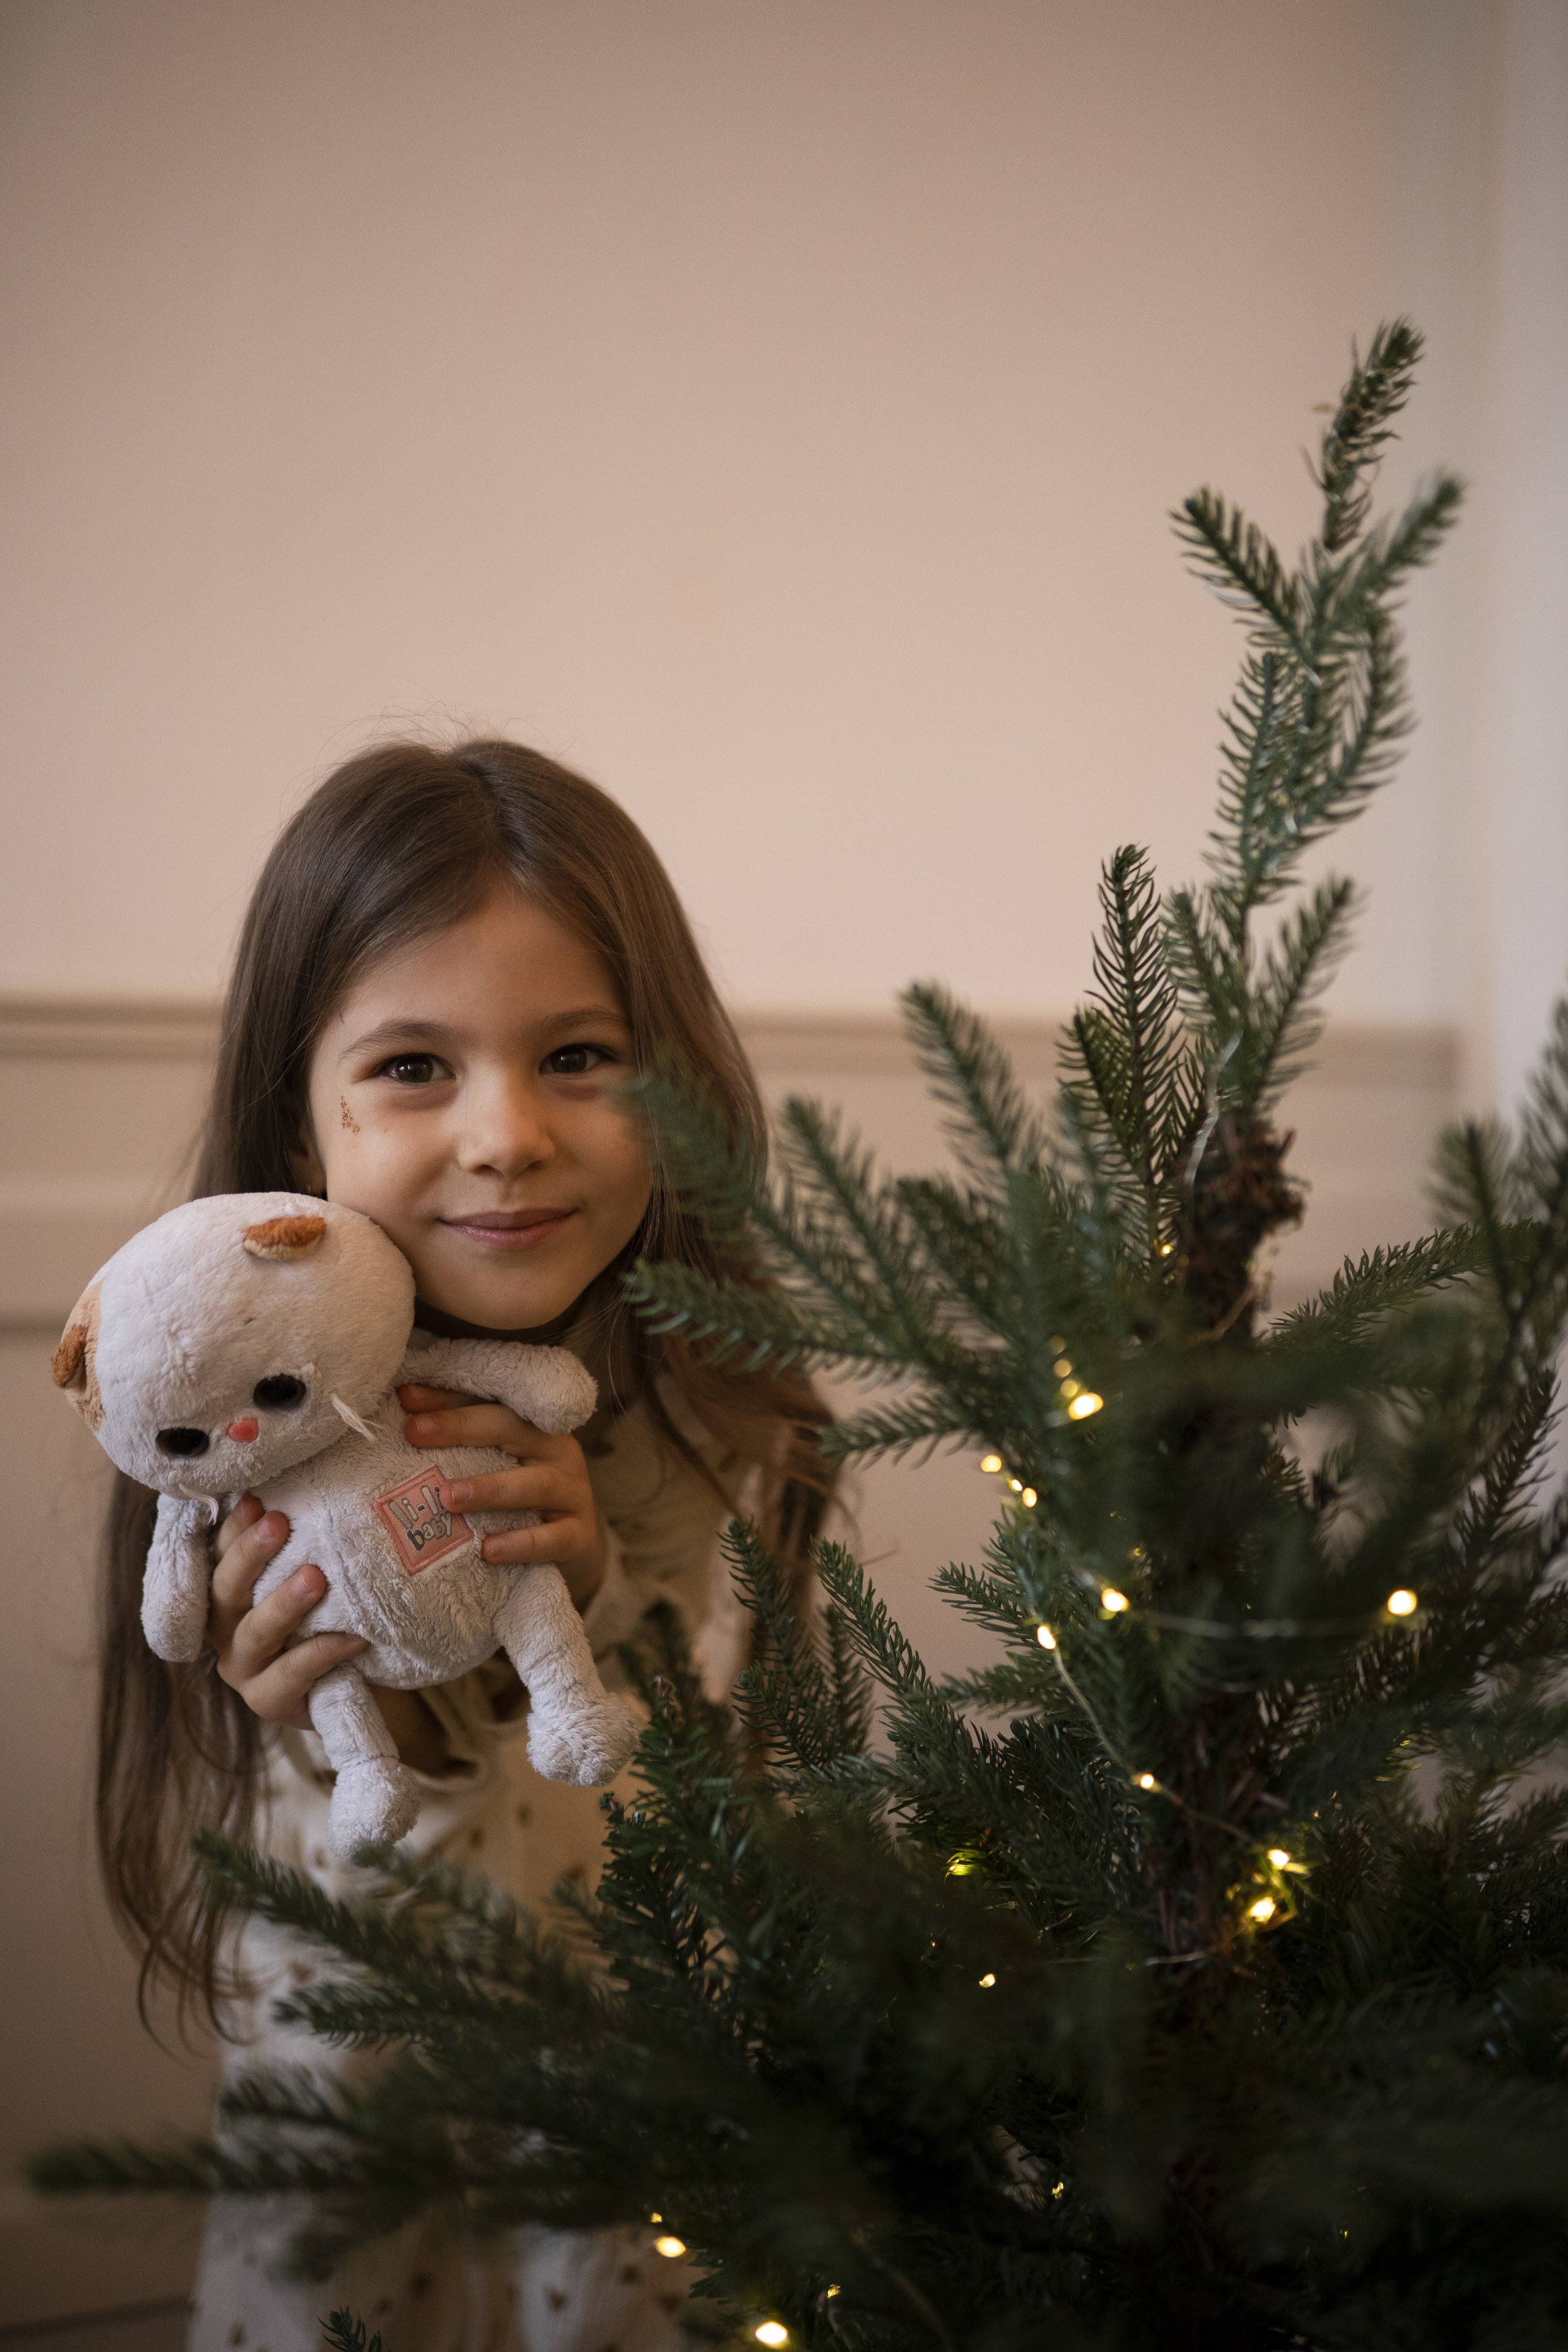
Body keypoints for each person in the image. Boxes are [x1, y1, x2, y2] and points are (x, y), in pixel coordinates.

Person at [94, 739, 833, 2350]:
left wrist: (590, 1590)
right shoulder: (231, 1412)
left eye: (578, 1055)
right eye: (414, 1067)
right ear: (299, 1105)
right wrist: (304, 1693)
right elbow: (320, 1859)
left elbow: (698, 1773)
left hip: (626, 2062)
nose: (508, 1135)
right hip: (364, 2083)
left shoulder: (696, 1382)